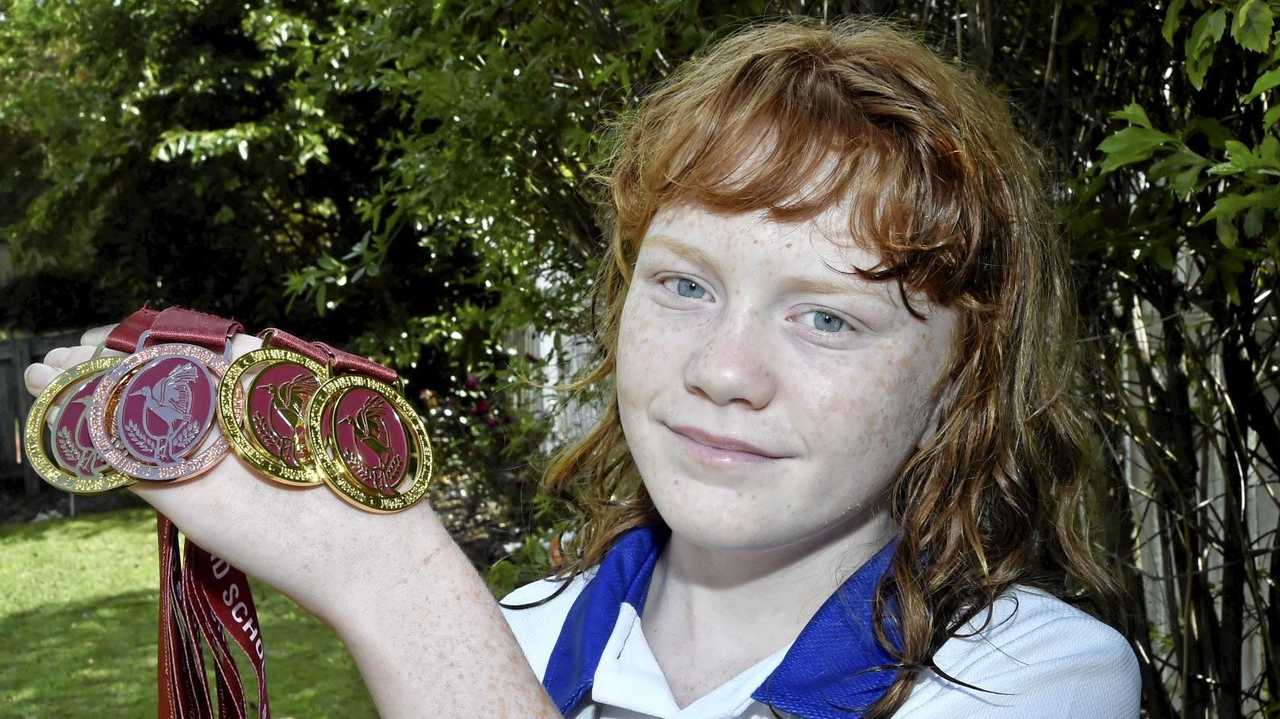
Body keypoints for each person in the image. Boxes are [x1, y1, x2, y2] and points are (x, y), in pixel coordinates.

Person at [25, 17, 1140, 719]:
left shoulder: (1033, 678)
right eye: (685, 285)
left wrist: (397, 584)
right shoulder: (520, 629)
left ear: (959, 376)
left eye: (829, 320)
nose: (723, 369)